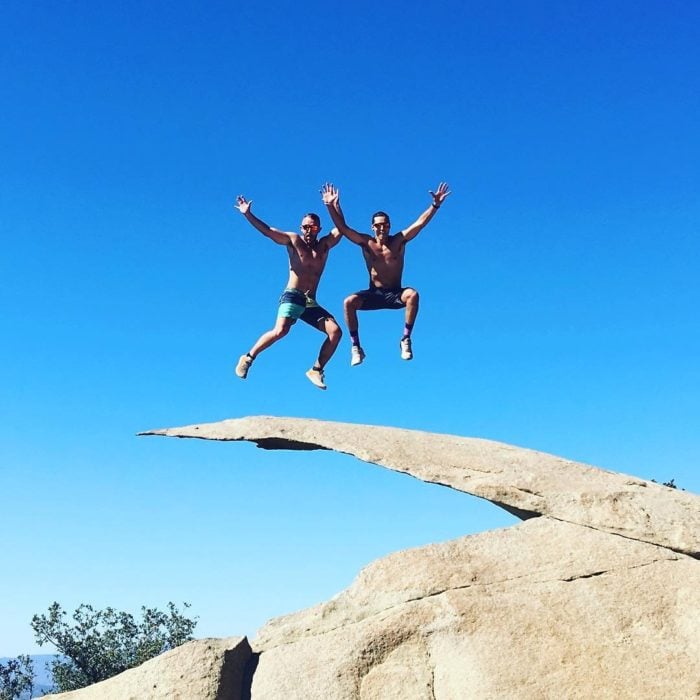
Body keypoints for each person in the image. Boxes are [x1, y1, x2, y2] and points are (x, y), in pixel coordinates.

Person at [321, 182, 451, 365]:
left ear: (389, 226)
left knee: (413, 294)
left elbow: (420, 224)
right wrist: (331, 206)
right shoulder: (367, 243)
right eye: (378, 225)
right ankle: (356, 347)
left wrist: (435, 205)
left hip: (396, 293)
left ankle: (405, 339)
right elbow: (343, 229)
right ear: (372, 227)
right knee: (348, 302)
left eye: (385, 225)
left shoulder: (398, 241)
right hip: (375, 293)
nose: (382, 228)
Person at [233, 195, 343, 389]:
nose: (309, 231)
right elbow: (268, 231)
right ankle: (248, 357)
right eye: (306, 227)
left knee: (335, 332)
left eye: (313, 227)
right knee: (281, 330)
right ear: (301, 228)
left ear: (319, 229)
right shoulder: (293, 241)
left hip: (309, 302)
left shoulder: (324, 246)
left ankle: (316, 370)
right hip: (292, 295)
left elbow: (342, 229)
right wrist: (248, 214)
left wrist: (333, 206)